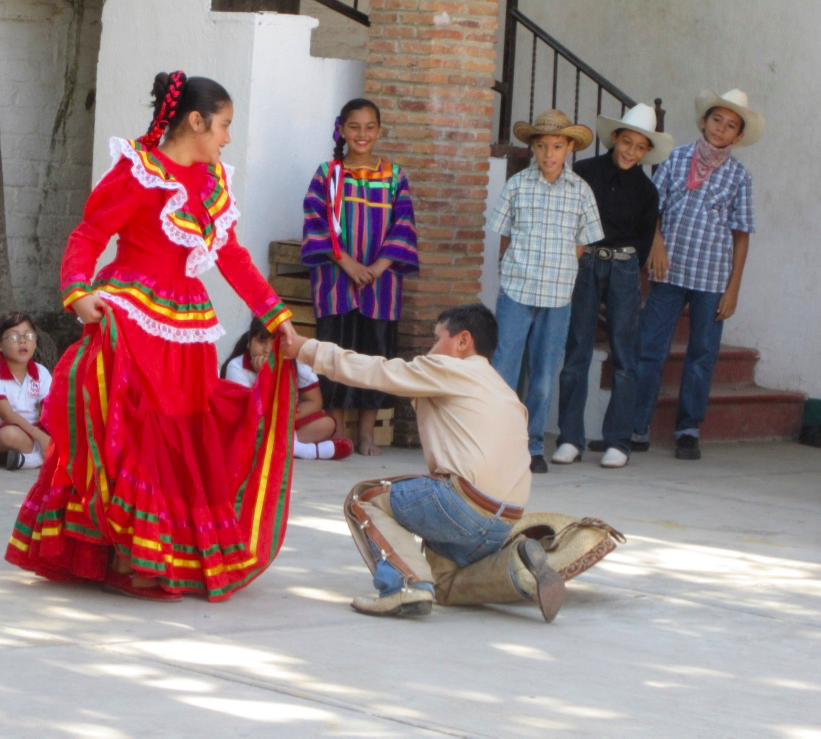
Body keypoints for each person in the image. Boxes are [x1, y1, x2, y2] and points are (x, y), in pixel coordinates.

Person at [4, 71, 299, 602]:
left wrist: (276, 317)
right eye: (224, 126)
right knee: (135, 428)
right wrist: (77, 291)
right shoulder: (139, 171)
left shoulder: (212, 182)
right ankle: (128, 552)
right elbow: (90, 234)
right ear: (196, 121)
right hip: (131, 318)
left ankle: (149, 550)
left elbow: (231, 256)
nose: (227, 138)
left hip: (187, 329)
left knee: (181, 432)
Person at [283, 304, 566, 622]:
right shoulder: (504, 390)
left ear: (463, 341)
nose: (430, 350)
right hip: (504, 521)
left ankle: (406, 586)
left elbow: (378, 371)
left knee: (365, 499)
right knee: (443, 584)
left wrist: (307, 349)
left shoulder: (451, 368)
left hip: (463, 506)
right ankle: (518, 570)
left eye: (436, 339)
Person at [632, 89, 763, 460]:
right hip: (669, 272)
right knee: (650, 349)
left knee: (702, 355)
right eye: (716, 119)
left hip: (712, 278)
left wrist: (733, 288)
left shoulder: (739, 176)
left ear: (738, 135)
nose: (721, 128)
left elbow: (741, 235)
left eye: (731, 125)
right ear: (703, 121)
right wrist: (656, 242)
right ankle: (637, 425)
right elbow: (652, 209)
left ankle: (688, 429)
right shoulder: (676, 158)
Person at [552, 104, 673, 469]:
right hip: (586, 261)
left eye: (640, 147)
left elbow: (642, 242)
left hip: (623, 267)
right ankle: (570, 437)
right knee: (578, 348)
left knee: (624, 352)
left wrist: (625, 266)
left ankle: (619, 440)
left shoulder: (648, 191)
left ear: (647, 151)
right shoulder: (585, 172)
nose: (631, 151)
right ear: (615, 138)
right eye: (626, 142)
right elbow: (570, 217)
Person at [301, 98, 419, 456]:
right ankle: (338, 429)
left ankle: (367, 432)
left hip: (381, 286)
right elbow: (316, 222)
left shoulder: (394, 176)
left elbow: (404, 225)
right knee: (334, 352)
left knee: (375, 355)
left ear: (379, 131)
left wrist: (377, 268)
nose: (362, 134)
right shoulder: (328, 174)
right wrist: (349, 265)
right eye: (354, 126)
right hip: (336, 282)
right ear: (342, 130)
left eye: (370, 127)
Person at [490, 109, 605, 474]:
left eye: (557, 146)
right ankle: (499, 445)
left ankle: (533, 444)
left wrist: (560, 272)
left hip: (557, 297)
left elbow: (581, 243)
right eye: (541, 146)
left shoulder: (580, 191)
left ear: (569, 147)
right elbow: (505, 235)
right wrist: (512, 268)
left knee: (542, 376)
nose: (549, 154)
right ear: (533, 148)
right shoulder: (517, 185)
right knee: (504, 370)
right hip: (517, 290)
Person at [223, 317, 352, 461]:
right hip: (251, 424)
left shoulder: (298, 362)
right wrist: (264, 377)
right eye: (261, 341)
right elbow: (248, 414)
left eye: (276, 342)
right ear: (249, 342)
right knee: (242, 434)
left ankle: (273, 446)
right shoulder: (236, 367)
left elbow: (315, 402)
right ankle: (305, 450)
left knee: (327, 424)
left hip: (284, 421)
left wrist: (281, 418)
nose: (267, 350)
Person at [0, 312, 52, 471]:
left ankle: (26, 459)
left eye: (29, 335)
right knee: (8, 435)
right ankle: (42, 458)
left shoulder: (41, 372)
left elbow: (49, 409)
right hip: (7, 428)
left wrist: (50, 435)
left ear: (35, 342)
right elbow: (6, 414)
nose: (22, 341)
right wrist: (40, 437)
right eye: (14, 337)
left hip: (36, 429)